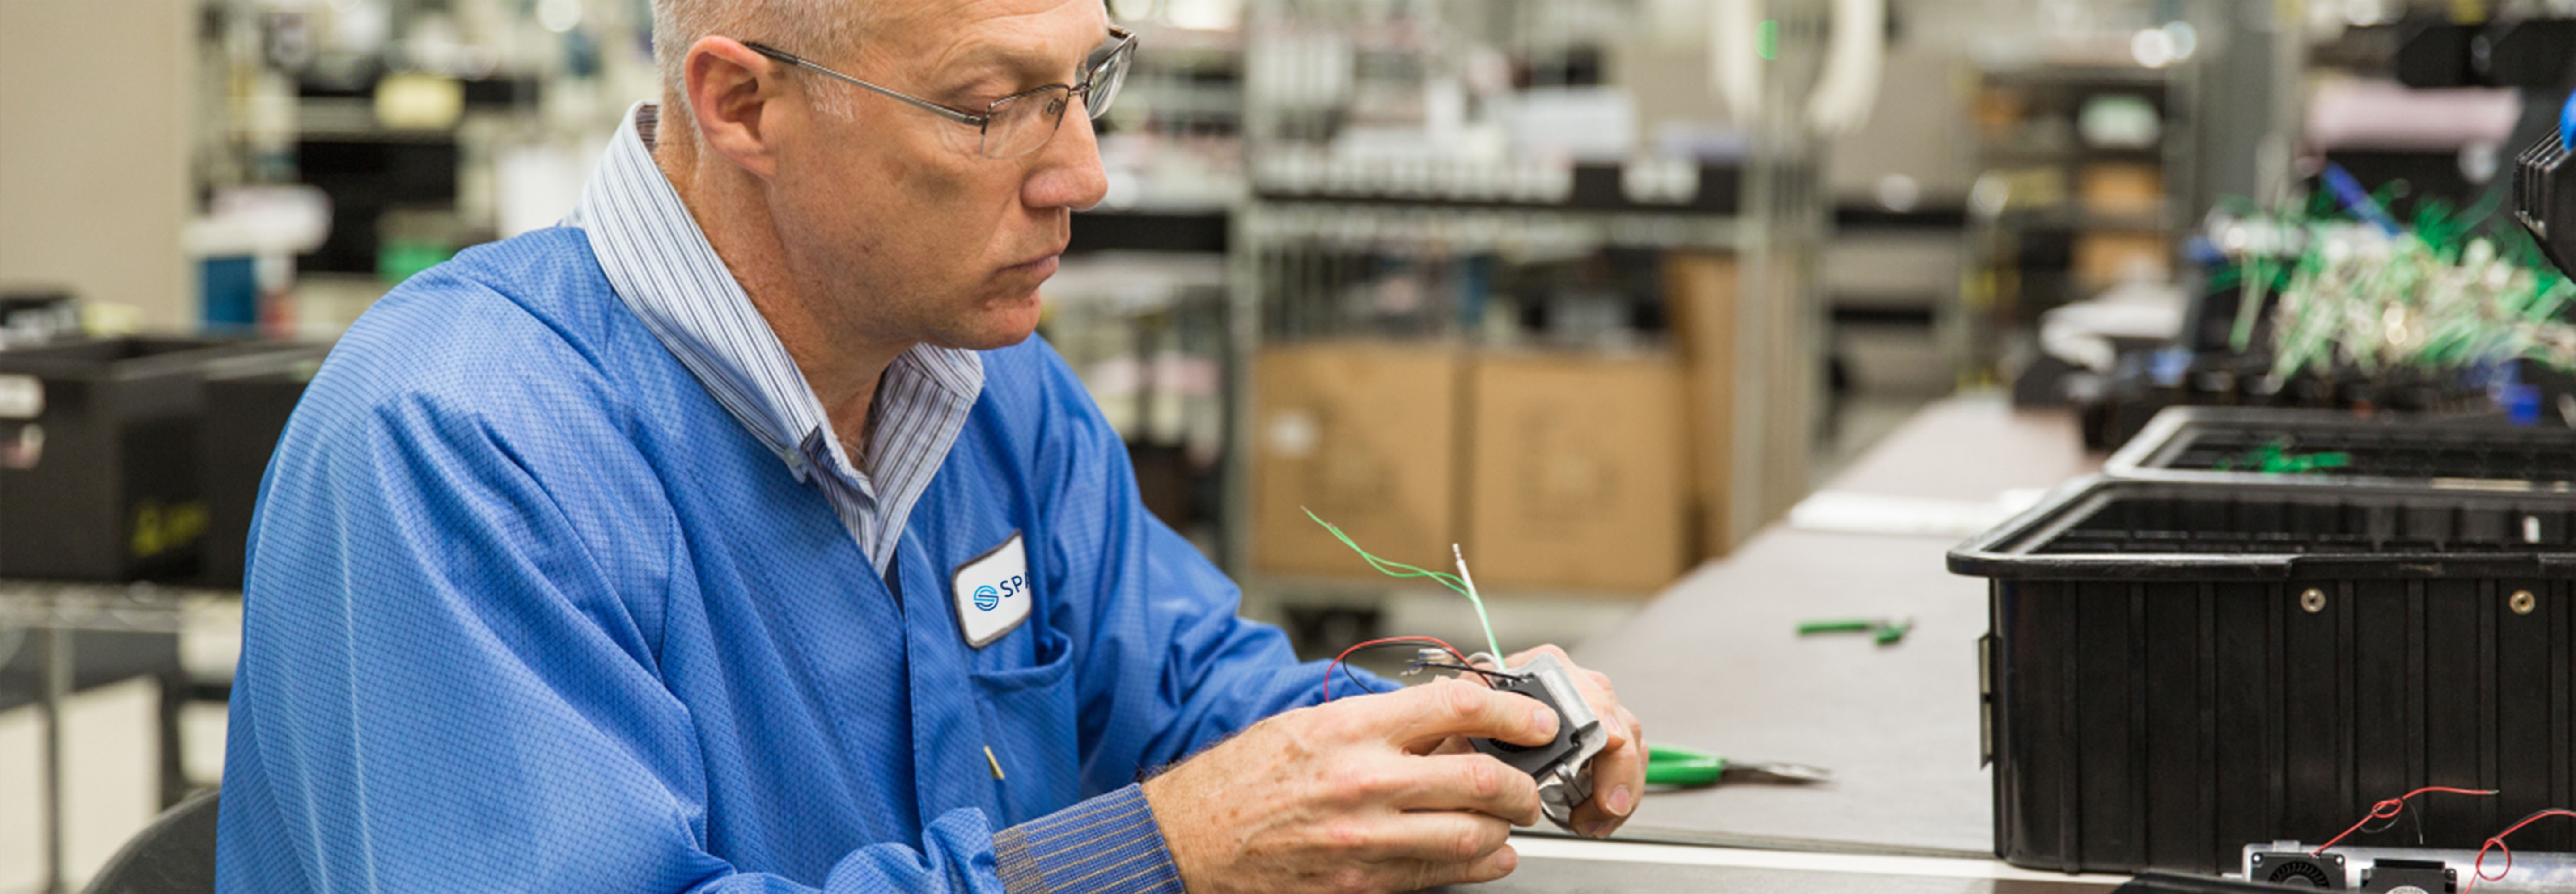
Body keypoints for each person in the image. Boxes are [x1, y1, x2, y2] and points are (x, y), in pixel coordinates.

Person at [214, 0, 1646, 890]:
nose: (1081, 172)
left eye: (1090, 79)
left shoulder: (981, 385)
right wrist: (1152, 855)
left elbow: (1192, 698)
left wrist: (1447, 729)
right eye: (984, 109)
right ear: (743, 104)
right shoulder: (463, 446)